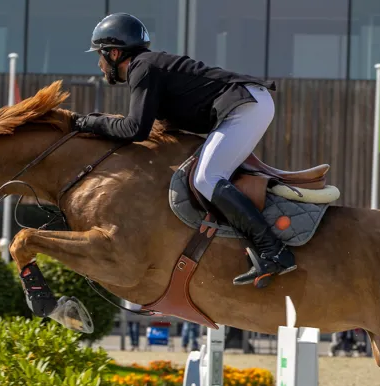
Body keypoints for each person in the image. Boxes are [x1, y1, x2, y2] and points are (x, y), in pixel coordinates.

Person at [69, 12, 295, 289]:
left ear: (114, 53)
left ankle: (273, 251)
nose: (99, 64)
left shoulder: (143, 67)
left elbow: (134, 129)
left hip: (245, 106)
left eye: (100, 55)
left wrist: (85, 122)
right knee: (205, 176)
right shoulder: (149, 66)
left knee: (206, 179)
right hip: (247, 104)